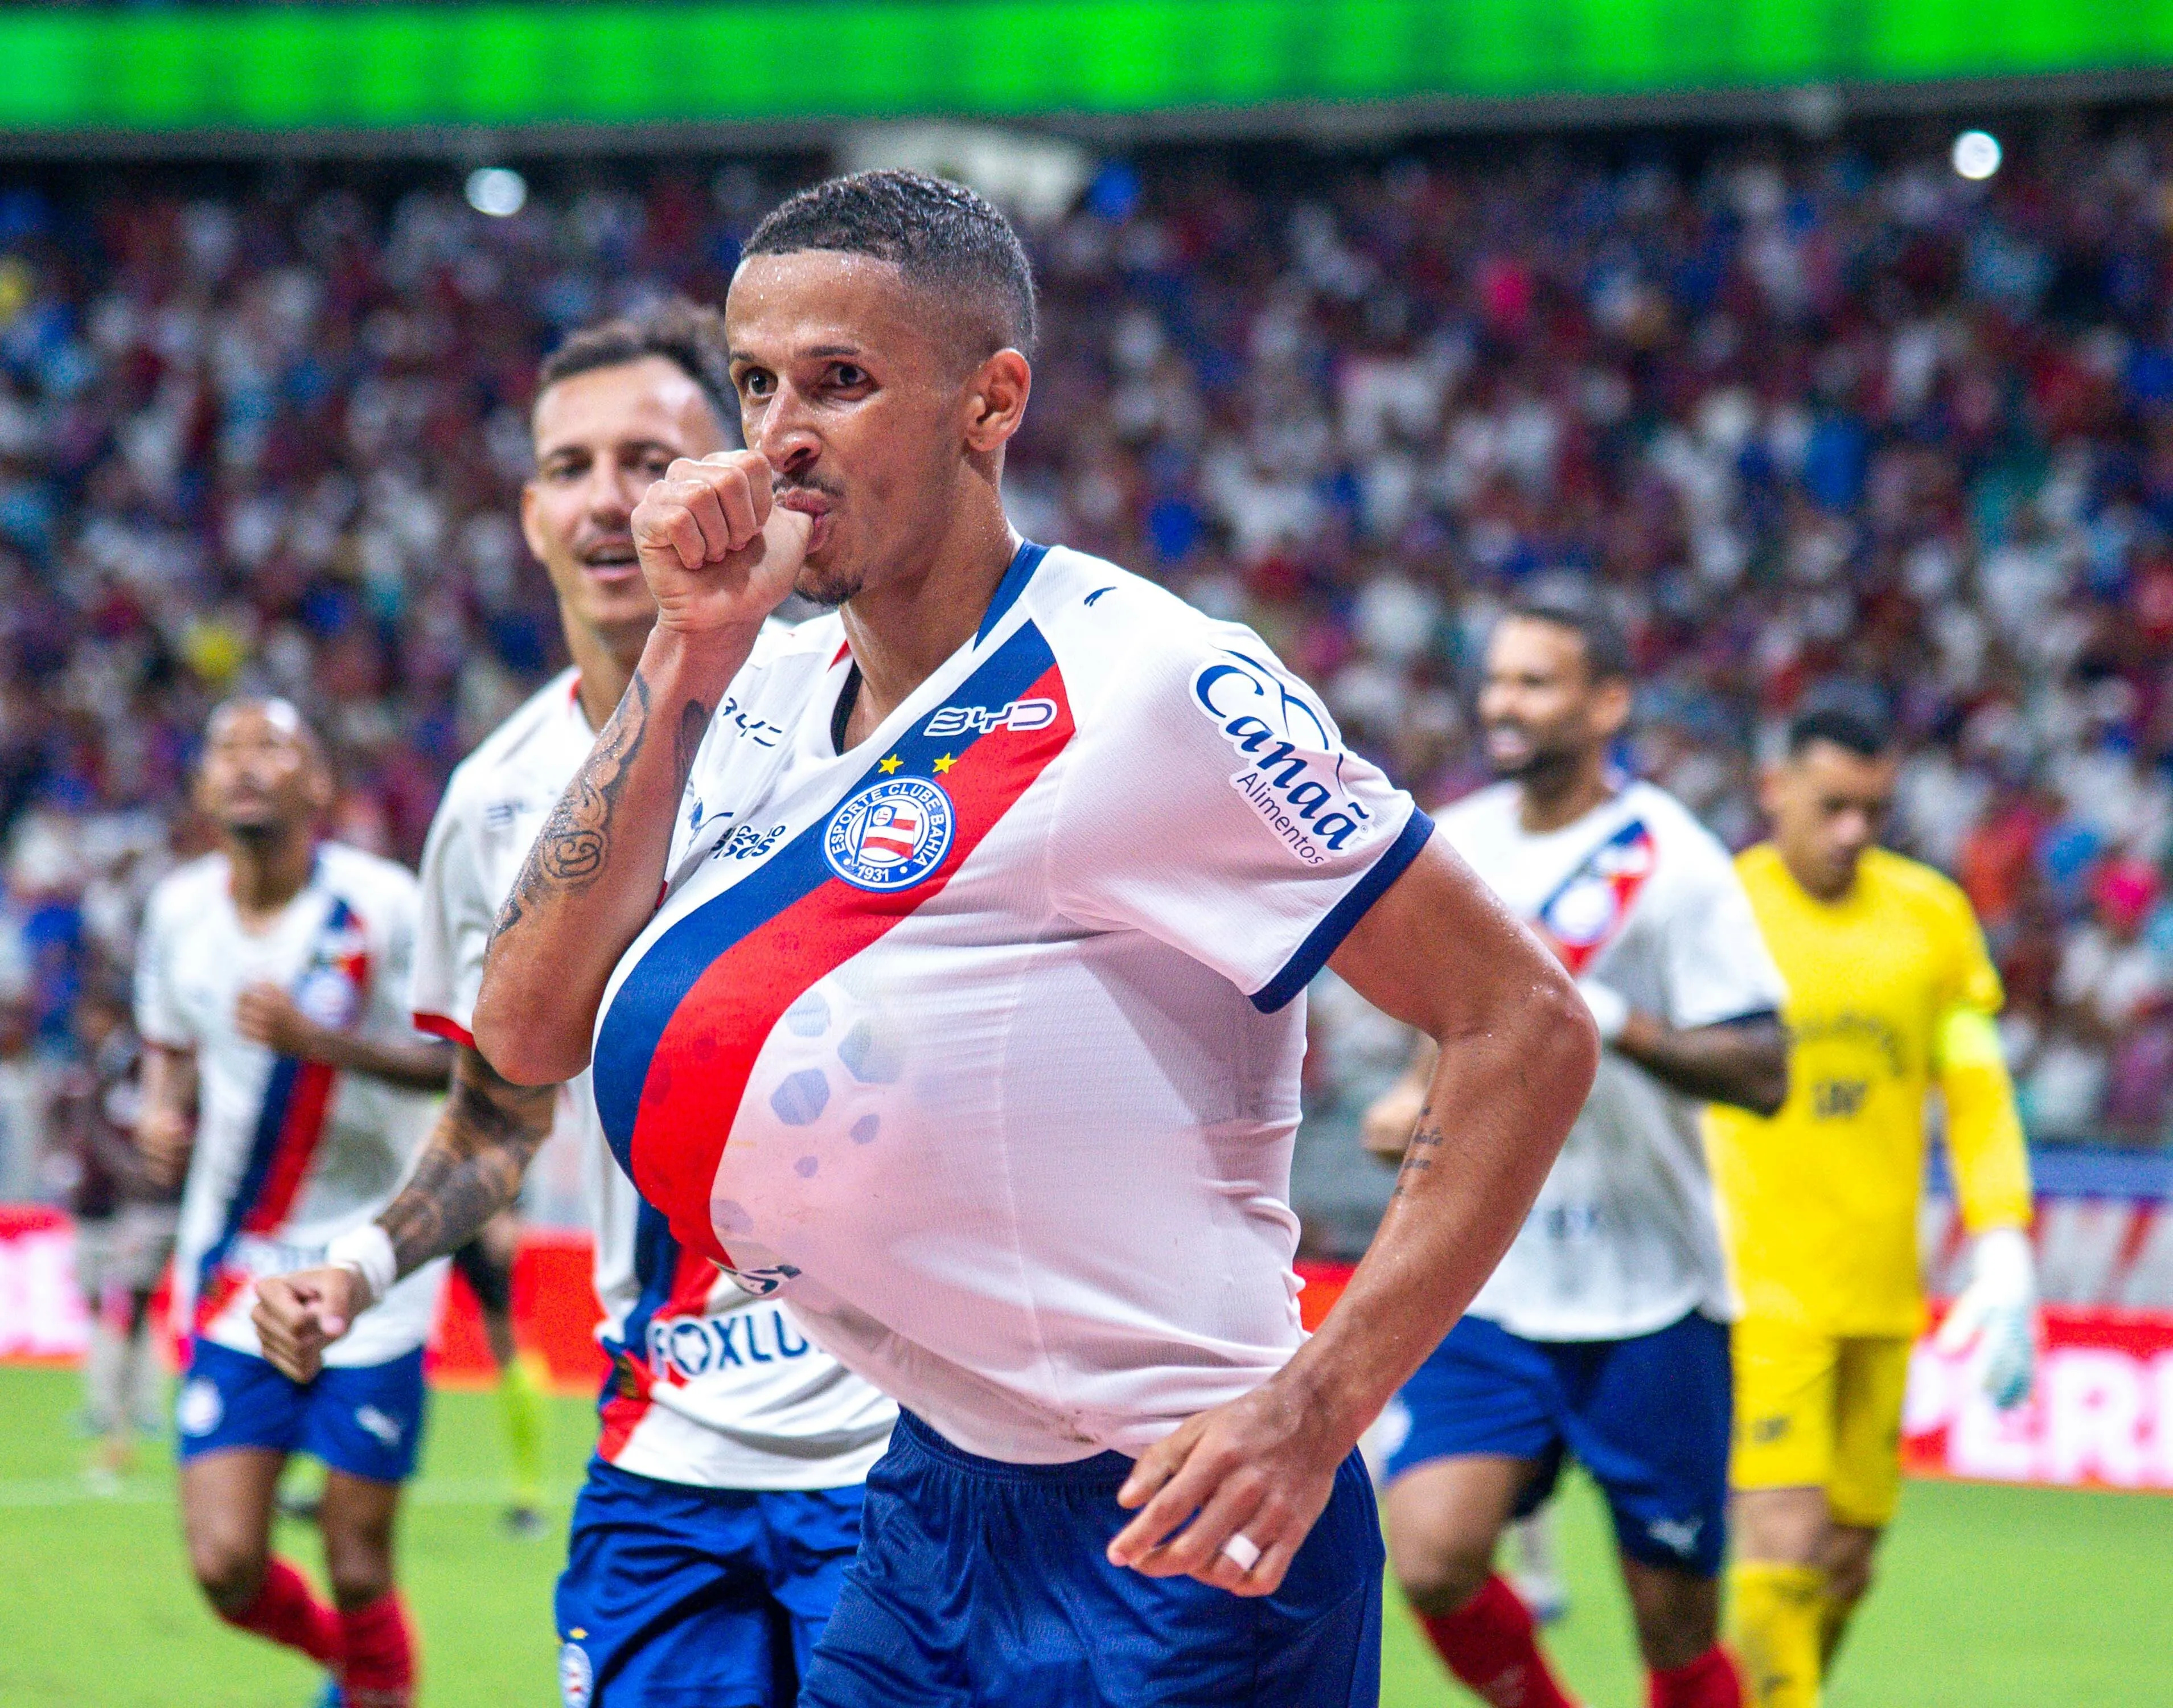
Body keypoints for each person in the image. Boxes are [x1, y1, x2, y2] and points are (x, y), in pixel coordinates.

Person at [468, 168, 1596, 1707]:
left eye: (842, 383)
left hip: (1180, 1531)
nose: (780, 435)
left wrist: (1321, 1405)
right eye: (754, 384)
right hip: (930, 1495)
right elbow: (524, 1033)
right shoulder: (769, 695)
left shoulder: (1149, 687)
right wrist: (682, 652)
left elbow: (1522, 1023)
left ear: (990, 403)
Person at [252, 301, 897, 1708]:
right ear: (532, 513)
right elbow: (495, 1122)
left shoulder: (867, 707)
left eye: (650, 459)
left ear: (733, 479)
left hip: (898, 1446)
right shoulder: (492, 805)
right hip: (663, 1449)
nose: (610, 499)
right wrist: (357, 1262)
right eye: (570, 465)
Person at [1362, 589, 1790, 1708]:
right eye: (1497, 679)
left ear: (1608, 703)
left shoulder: (1676, 862)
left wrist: (1616, 1022)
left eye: (1535, 682)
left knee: (1674, 1629)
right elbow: (1444, 1030)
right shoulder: (1456, 845)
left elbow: (1765, 1070)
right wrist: (1412, 1099)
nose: (1503, 702)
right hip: (1493, 1283)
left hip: (1651, 1300)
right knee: (1433, 1557)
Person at [1707, 684, 2037, 1708]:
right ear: (1775, 789)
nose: (1853, 832)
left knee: (1846, 1560)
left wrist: (2004, 1242)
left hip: (1880, 1290)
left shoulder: (1930, 917)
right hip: (1755, 1289)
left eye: (1873, 812)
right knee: (1782, 1542)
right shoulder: (1719, 908)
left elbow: (1975, 1086)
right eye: (1831, 806)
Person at [134, 697, 451, 1708]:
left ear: (320, 786)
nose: (248, 765)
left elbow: (456, 1067)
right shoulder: (177, 908)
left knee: (358, 1561)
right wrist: (158, 1114)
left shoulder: (383, 904)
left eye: (275, 747)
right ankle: (356, 1670)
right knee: (224, 1564)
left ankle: (374, 1684)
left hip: (369, 1266)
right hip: (236, 1260)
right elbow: (168, 1048)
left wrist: (330, 1047)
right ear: (199, 789)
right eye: (226, 748)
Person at [61, 970, 177, 1489]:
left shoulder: (133, 1064)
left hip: (143, 1209)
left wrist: (131, 1170)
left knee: (128, 1309)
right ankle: (125, 1416)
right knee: (128, 1307)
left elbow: (103, 1126)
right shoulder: (111, 1065)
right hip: (130, 1207)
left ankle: (124, 1420)